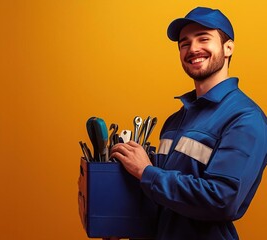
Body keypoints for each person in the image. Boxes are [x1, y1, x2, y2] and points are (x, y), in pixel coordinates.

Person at [109, 6, 267, 240]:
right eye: (185, 43)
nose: (193, 49)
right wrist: (124, 223)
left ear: (228, 48)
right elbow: (162, 201)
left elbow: (222, 200)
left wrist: (145, 171)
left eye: (204, 38)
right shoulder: (175, 121)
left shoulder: (245, 118)